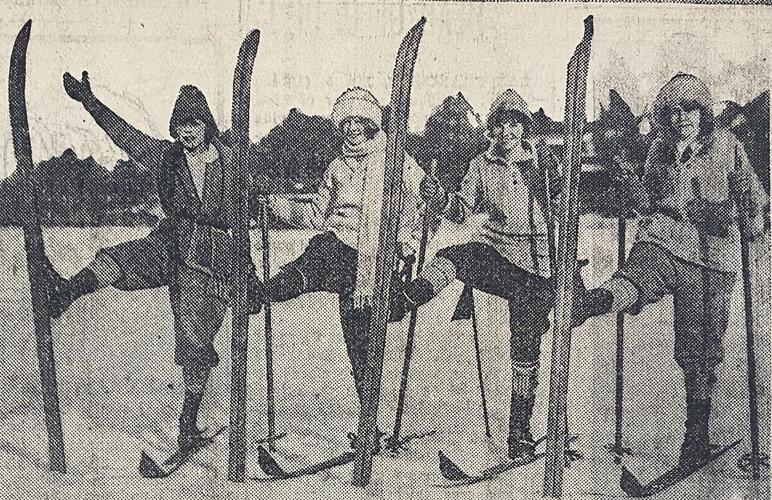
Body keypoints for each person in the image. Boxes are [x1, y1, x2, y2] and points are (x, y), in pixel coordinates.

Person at [44, 71, 261, 453]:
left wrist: (248, 273)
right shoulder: (168, 157)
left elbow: (241, 221)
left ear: (206, 125)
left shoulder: (231, 164)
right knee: (119, 258)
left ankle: (188, 424)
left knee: (195, 344)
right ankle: (65, 292)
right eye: (179, 127)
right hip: (171, 242)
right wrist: (89, 102)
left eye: (192, 125)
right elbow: (125, 135)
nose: (186, 134)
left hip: (211, 262)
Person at [574, 73, 768, 468]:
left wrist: (741, 216)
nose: (683, 118)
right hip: (663, 241)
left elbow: (755, 203)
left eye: (691, 109)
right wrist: (627, 179)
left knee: (697, 352)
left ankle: (695, 437)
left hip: (711, 260)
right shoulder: (660, 149)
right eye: (674, 111)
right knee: (638, 275)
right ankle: (595, 301)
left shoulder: (727, 148)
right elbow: (646, 202)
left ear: (703, 112)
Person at [405, 89, 597, 459]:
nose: (508, 132)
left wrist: (562, 191)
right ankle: (417, 291)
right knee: (456, 254)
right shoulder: (481, 164)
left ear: (523, 129)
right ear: (491, 129)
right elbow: (462, 210)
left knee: (525, 345)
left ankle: (519, 430)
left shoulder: (540, 160)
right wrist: (438, 197)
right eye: (501, 125)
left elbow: (565, 208)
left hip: (540, 262)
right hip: (497, 252)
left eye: (515, 125)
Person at [249, 87, 425, 442]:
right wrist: (273, 205)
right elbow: (315, 214)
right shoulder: (336, 166)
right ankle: (267, 290)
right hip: (339, 246)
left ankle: (368, 425)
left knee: (359, 345)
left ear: (372, 124)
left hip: (376, 258)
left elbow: (421, 205)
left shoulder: (396, 159)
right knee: (319, 253)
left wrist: (405, 244)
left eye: (359, 122)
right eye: (346, 123)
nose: (352, 130)